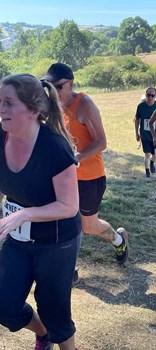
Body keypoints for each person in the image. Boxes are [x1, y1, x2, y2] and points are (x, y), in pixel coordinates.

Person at [0, 73, 81, 350]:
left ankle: (57, 336)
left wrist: (25, 214)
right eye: (0, 101)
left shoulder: (54, 147)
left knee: (55, 310)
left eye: (9, 103)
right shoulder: (1, 138)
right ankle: (42, 333)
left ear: (34, 111)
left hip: (57, 241)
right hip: (18, 239)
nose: (1, 109)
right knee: (4, 305)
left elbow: (69, 206)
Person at [42, 63, 129, 274]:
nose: (53, 91)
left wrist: (76, 157)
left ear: (70, 84)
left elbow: (101, 142)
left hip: (89, 176)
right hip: (63, 176)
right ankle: (69, 270)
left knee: (88, 226)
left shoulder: (84, 104)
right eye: (49, 87)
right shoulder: (52, 105)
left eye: (58, 86)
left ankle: (119, 239)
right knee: (63, 221)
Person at [135, 87, 156, 178]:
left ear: (155, 96)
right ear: (145, 95)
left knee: (154, 153)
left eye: (152, 95)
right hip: (145, 134)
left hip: (155, 135)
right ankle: (147, 172)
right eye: (148, 95)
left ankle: (152, 162)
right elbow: (137, 120)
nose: (150, 97)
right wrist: (137, 133)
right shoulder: (141, 106)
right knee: (147, 153)